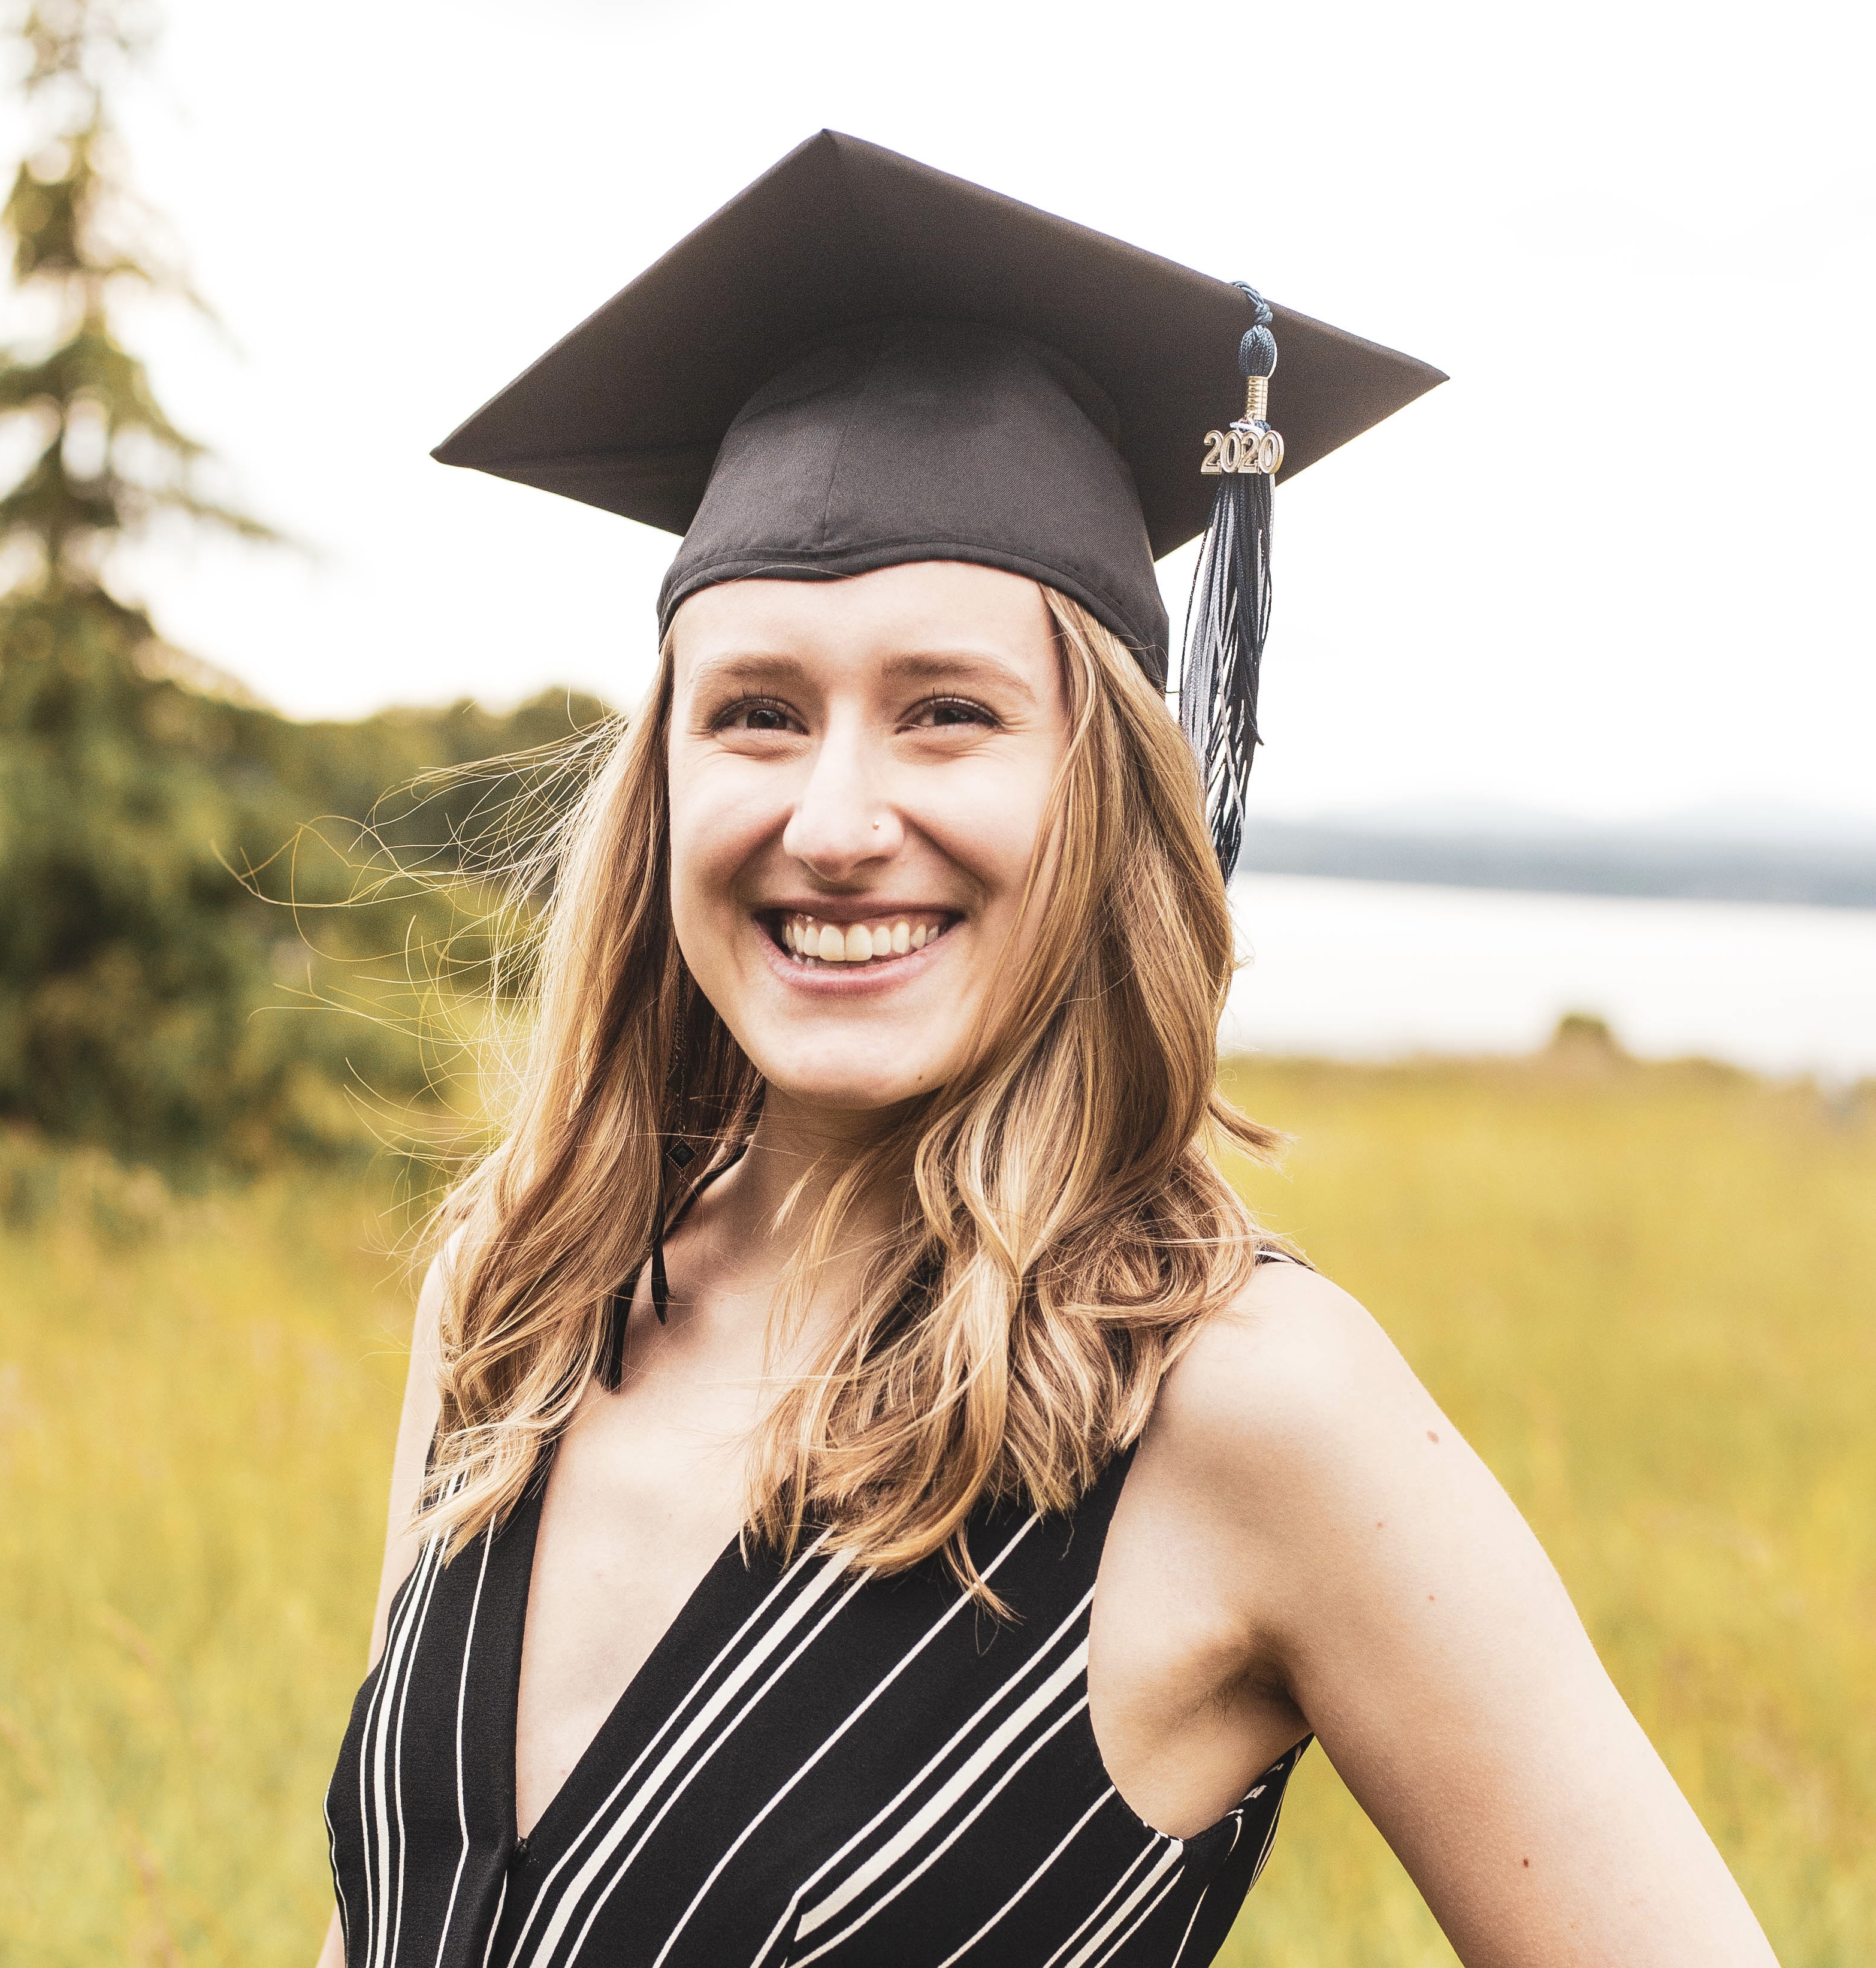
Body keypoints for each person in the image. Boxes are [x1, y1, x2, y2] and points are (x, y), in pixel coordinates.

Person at [318, 135, 1777, 1968]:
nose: (836, 818)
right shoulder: (515, 1295)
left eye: (948, 713)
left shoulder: (1241, 1404)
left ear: (1103, 796)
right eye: (758, 711)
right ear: (664, 779)